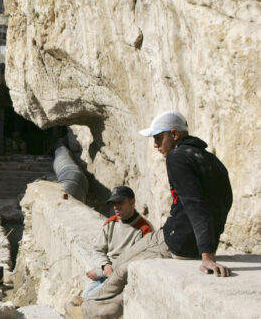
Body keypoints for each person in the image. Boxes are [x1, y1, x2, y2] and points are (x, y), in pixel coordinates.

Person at [78, 111, 233, 319]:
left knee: (121, 266)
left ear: (175, 135)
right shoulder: (211, 160)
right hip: (194, 241)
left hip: (176, 241)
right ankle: (103, 307)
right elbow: (224, 201)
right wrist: (208, 244)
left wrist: (207, 256)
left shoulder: (177, 157)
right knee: (126, 271)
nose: (155, 145)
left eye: (159, 138)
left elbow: (195, 205)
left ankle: (87, 311)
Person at [82, 186, 152, 299]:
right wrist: (105, 266)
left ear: (132, 202)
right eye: (114, 203)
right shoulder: (110, 223)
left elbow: (137, 264)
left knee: (90, 300)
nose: (116, 207)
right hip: (106, 272)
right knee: (84, 297)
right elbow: (98, 250)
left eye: (120, 202)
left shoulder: (144, 230)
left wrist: (102, 272)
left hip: (120, 279)